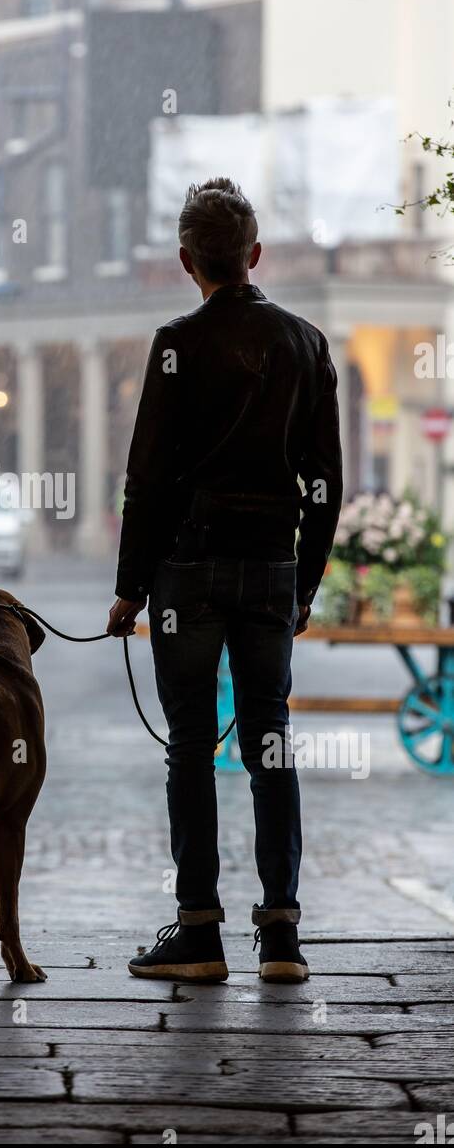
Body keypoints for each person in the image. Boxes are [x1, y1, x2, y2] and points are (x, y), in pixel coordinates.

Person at [107, 178, 343, 984]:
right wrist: (302, 584)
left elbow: (149, 477)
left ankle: (198, 931)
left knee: (189, 747)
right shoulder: (307, 344)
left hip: (189, 572)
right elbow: (324, 483)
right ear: (254, 255)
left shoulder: (176, 344)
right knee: (268, 738)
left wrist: (129, 589)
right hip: (271, 565)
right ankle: (281, 934)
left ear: (186, 260)